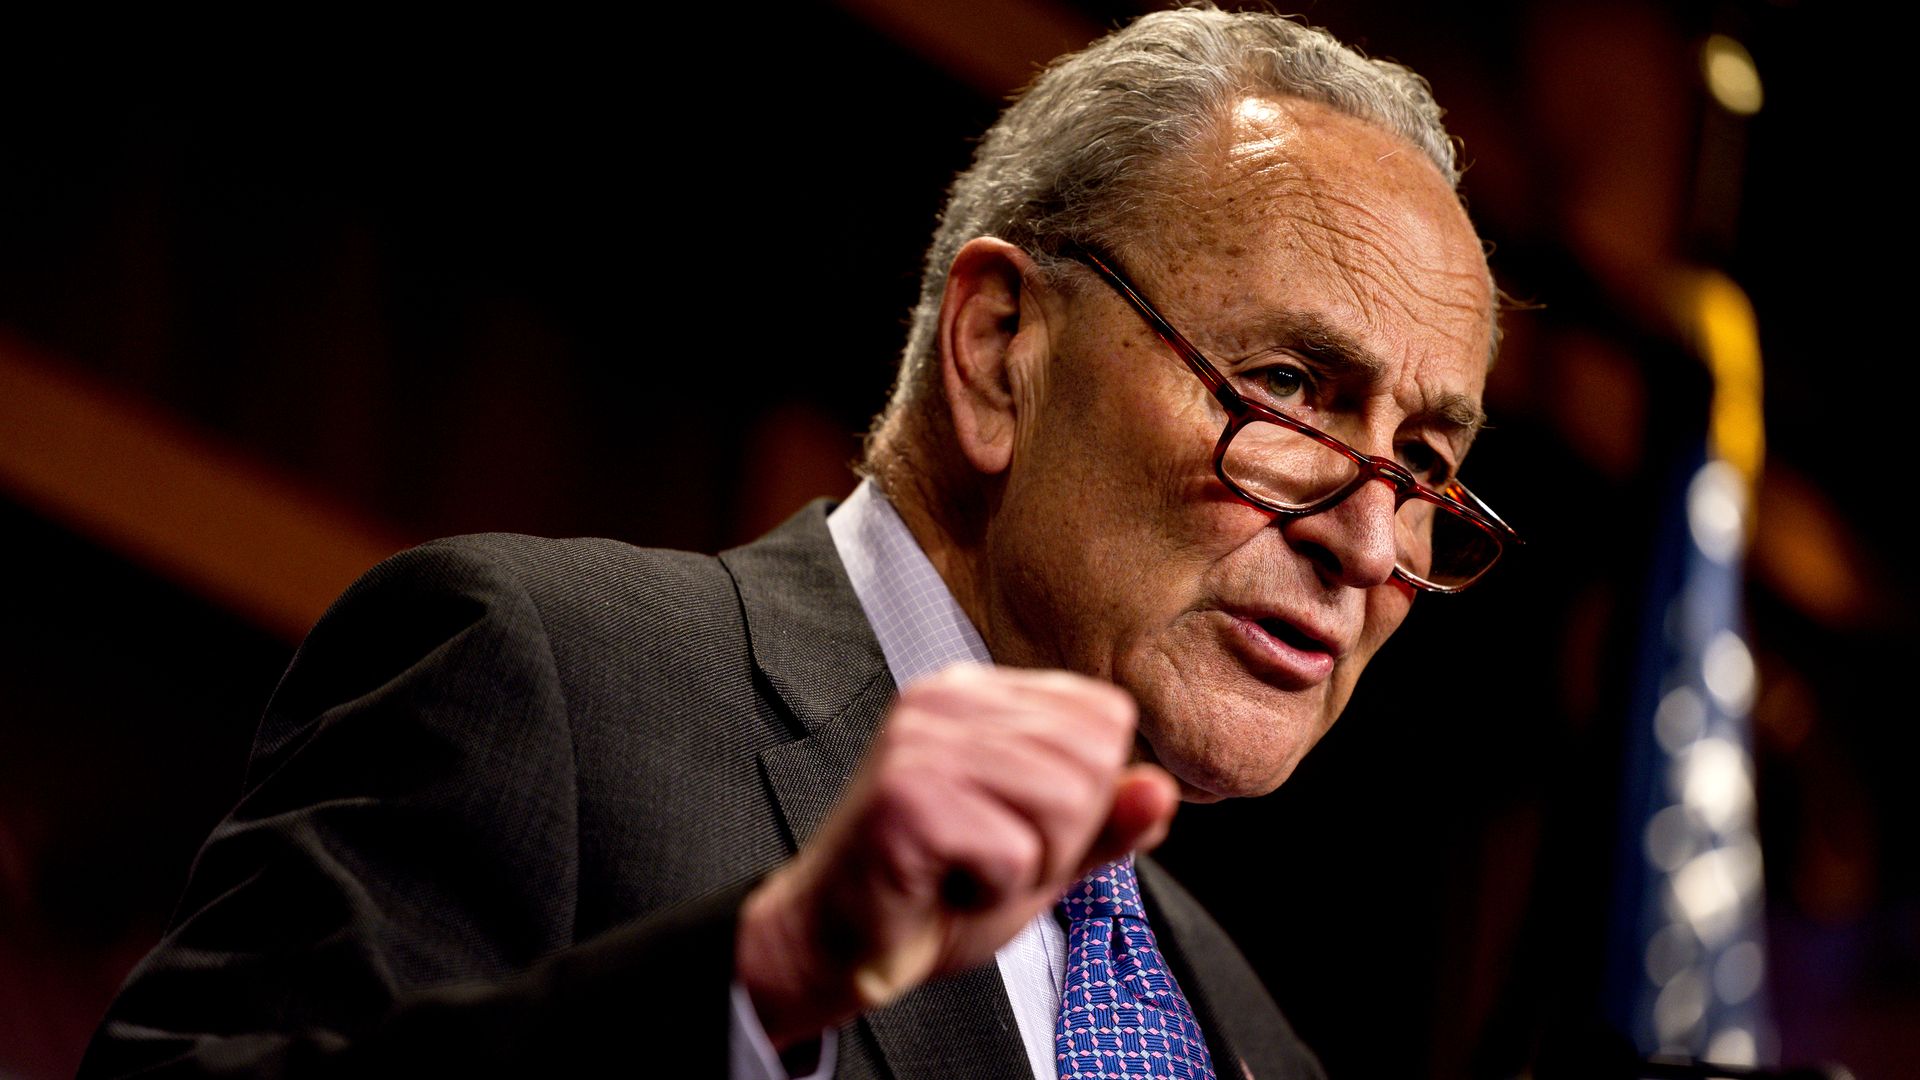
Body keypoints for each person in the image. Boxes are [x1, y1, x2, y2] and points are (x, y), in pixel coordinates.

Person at [81, 7, 1517, 1078]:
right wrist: (761, 979)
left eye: (1426, 464)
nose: (1365, 531)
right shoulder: (546, 684)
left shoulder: (1257, 1042)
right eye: (1284, 390)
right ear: (1001, 350)